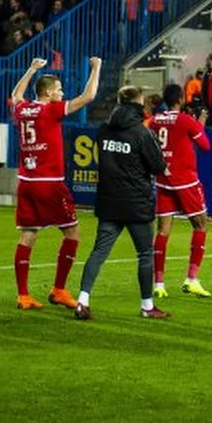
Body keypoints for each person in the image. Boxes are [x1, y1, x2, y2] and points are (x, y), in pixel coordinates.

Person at [9, 56, 102, 310]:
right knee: (72, 232)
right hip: (49, 183)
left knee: (29, 234)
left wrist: (31, 69)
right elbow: (88, 96)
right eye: (59, 90)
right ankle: (59, 289)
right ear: (49, 93)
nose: (62, 93)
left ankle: (23, 295)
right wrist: (96, 68)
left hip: (26, 182)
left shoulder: (22, 110)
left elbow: (16, 96)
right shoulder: (50, 110)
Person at [75, 86, 170, 321]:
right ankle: (147, 306)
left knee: (99, 251)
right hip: (136, 203)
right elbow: (159, 168)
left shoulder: (105, 129)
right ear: (138, 104)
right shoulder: (141, 133)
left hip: (109, 200)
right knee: (145, 254)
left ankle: (82, 300)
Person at [146, 84, 212, 299]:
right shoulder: (185, 120)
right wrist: (200, 122)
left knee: (163, 231)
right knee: (201, 224)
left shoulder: (155, 120)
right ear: (181, 99)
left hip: (163, 180)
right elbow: (204, 145)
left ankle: (159, 283)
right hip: (185, 181)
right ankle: (192, 279)